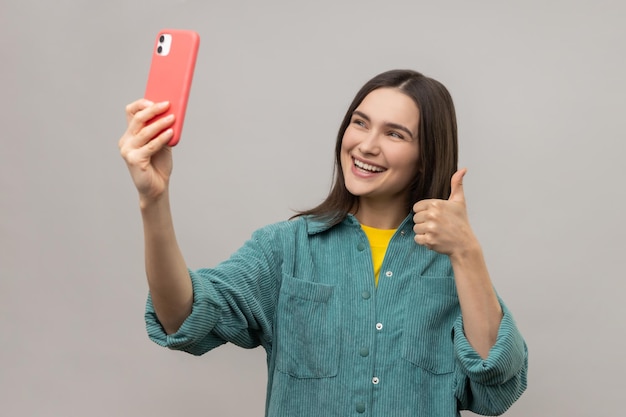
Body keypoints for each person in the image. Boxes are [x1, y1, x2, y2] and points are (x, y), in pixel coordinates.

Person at [119, 69, 528, 416]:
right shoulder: (286, 248)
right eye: (360, 122)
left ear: (427, 155)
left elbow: (497, 386)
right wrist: (153, 200)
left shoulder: (453, 268)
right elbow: (182, 318)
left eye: (395, 134)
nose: (366, 145)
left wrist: (466, 252)